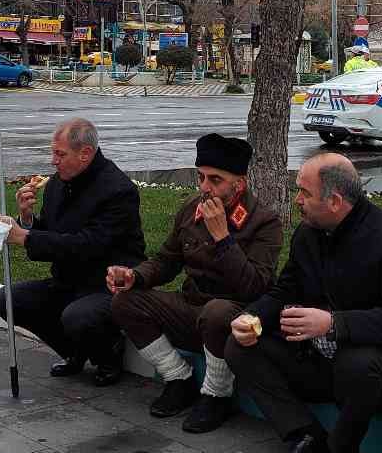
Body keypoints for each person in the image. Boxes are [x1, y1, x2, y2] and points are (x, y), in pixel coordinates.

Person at [225, 153, 382, 453]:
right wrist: (252, 317)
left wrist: (332, 323)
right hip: (319, 361)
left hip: (374, 376)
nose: (297, 200)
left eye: (304, 193)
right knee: (240, 345)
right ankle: (305, 436)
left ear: (335, 202)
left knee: (359, 361)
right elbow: (285, 290)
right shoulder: (308, 234)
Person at [110, 133, 282, 433]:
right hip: (191, 308)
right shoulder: (192, 208)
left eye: (215, 180)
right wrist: (134, 276)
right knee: (125, 300)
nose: (204, 187)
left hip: (233, 319)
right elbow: (166, 261)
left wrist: (223, 238)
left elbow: (255, 287)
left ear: (238, 184)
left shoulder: (264, 222)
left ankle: (217, 395)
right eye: (200, 177)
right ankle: (179, 378)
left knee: (216, 312)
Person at [0, 119, 145, 386]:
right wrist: (27, 219)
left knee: (78, 316)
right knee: (8, 299)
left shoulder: (118, 190)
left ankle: (108, 354)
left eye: (60, 154)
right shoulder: (57, 184)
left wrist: (25, 237)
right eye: (53, 153)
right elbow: (53, 235)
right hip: (67, 281)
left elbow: (86, 245)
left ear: (85, 153)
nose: (53, 161)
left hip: (106, 285)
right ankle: (74, 351)